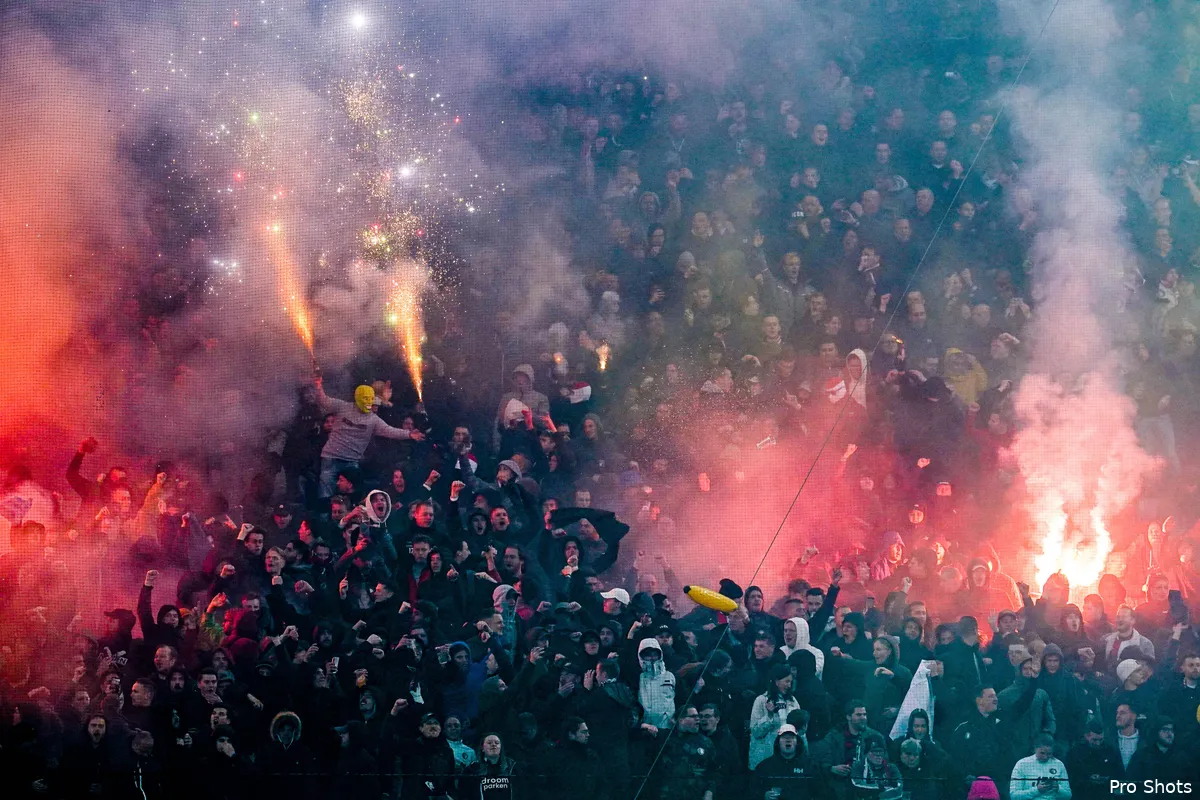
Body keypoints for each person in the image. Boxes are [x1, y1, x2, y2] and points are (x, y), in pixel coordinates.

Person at [313, 377, 425, 497]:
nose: (368, 402)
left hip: (352, 461)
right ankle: (325, 513)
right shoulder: (343, 407)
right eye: (366, 399)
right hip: (331, 457)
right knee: (325, 491)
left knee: (353, 492)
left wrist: (409, 434)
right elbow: (323, 401)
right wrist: (318, 386)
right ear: (358, 398)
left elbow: (389, 431)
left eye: (371, 399)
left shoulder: (373, 420)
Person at [1009, 734, 1071, 800]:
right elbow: (1014, 796)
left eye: (1049, 754)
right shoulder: (1022, 764)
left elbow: (1068, 796)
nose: (1045, 757)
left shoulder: (1059, 764)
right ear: (1034, 749)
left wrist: (1058, 789)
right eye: (1042, 753)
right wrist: (1037, 790)